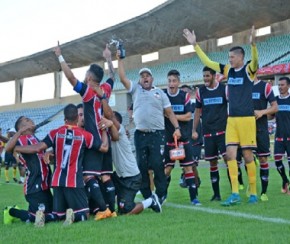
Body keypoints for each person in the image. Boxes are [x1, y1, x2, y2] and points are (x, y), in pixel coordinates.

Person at [183, 26, 259, 205]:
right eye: (229, 57)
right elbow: (209, 62)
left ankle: (253, 193)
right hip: (231, 120)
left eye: (232, 57)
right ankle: (234, 193)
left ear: (241, 57)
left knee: (248, 156)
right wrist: (195, 45)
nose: (230, 60)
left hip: (247, 119)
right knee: (231, 156)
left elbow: (255, 61)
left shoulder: (249, 70)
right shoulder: (227, 71)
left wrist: (253, 45)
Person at [14, 104, 109, 226]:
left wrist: (15, 148)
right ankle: (74, 215)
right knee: (84, 214)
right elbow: (104, 148)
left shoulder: (55, 132)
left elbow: (38, 148)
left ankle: (45, 217)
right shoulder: (84, 135)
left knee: (57, 215)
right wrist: (104, 130)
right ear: (76, 118)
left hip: (57, 181)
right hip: (74, 180)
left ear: (65, 118)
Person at [53, 43, 114, 220]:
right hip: (104, 136)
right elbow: (112, 75)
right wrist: (109, 58)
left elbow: (71, 78)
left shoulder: (88, 93)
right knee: (103, 176)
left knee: (88, 176)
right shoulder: (105, 90)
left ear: (88, 77)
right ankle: (110, 208)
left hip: (93, 138)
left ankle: (104, 210)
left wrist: (60, 56)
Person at [117, 51, 181, 205]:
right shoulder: (135, 90)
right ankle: (147, 195)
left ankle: (161, 194)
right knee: (142, 165)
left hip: (157, 134)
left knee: (158, 164)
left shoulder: (160, 93)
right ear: (140, 80)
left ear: (152, 79)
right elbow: (122, 78)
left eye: (147, 76)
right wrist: (119, 59)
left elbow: (169, 112)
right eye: (142, 76)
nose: (145, 78)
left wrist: (177, 128)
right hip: (140, 134)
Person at [4, 116, 54, 227]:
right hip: (34, 186)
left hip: (44, 184)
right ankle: (10, 211)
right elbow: (8, 148)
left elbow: (41, 152)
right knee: (38, 217)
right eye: (27, 120)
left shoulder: (35, 138)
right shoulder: (21, 139)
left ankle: (20, 211)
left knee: (53, 214)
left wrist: (49, 153)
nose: (31, 120)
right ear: (22, 127)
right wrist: (20, 132)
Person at [110, 111, 162, 214]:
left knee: (126, 211)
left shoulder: (120, 132)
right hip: (120, 176)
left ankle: (151, 201)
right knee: (120, 209)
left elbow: (111, 117)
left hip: (131, 178)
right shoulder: (112, 135)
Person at [163, 70, 200, 205]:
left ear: (178, 82)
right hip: (168, 139)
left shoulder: (184, 96)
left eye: (174, 81)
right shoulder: (163, 95)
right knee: (167, 169)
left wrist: (171, 116)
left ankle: (194, 198)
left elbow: (188, 116)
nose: (171, 83)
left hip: (183, 139)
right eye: (169, 81)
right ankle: (162, 196)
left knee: (188, 168)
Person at [192, 66, 228, 201]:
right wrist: (194, 130)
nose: (205, 78)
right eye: (204, 76)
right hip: (208, 133)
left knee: (228, 160)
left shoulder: (224, 89)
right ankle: (216, 194)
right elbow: (197, 112)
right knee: (213, 163)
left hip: (223, 131)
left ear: (213, 75)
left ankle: (235, 190)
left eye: (207, 76)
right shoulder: (200, 92)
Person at [252, 74, 278, 200]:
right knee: (248, 159)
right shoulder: (242, 87)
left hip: (261, 129)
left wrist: (262, 112)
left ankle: (263, 192)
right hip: (246, 129)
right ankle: (252, 190)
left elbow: (275, 107)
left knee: (263, 160)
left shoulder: (265, 86)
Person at [179, 85, 202, 190]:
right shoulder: (181, 106)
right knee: (187, 165)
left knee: (192, 164)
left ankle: (195, 183)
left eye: (186, 91)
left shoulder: (195, 106)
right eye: (182, 92)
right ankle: (191, 180)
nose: (184, 94)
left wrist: (195, 131)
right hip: (184, 139)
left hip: (195, 139)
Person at [272, 77, 290, 194]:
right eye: (279, 85)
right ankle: (285, 180)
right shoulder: (276, 100)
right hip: (278, 136)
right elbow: (271, 115)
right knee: (277, 161)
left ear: (288, 86)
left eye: (282, 85)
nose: (280, 87)